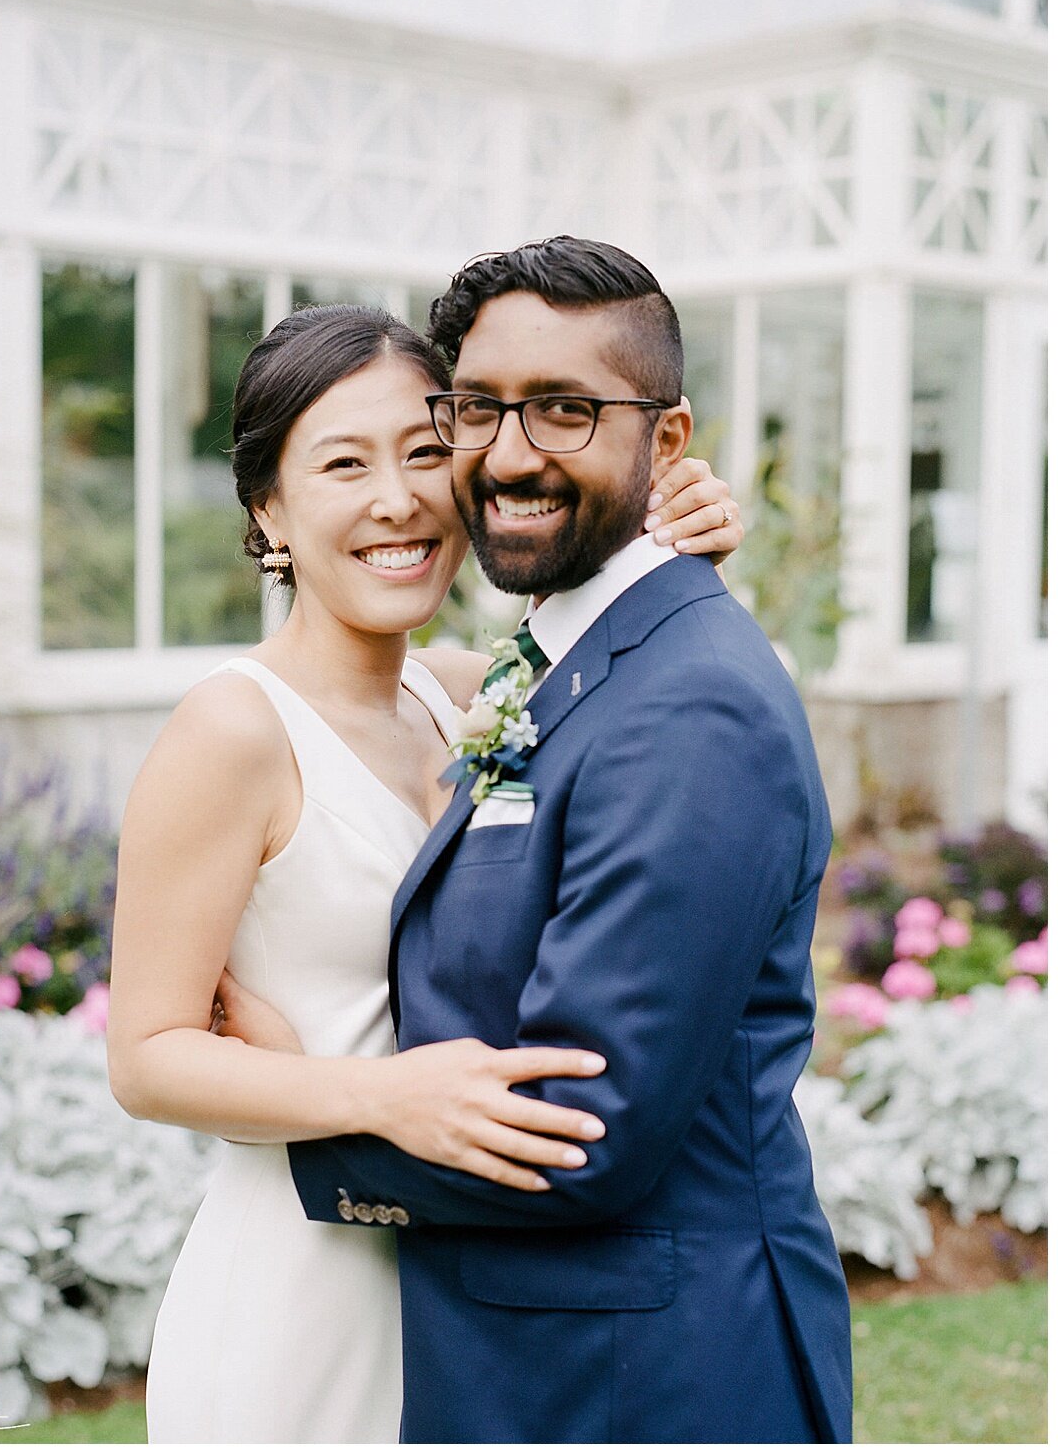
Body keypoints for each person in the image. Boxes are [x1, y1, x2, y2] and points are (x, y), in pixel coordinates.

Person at [105, 298, 743, 1442]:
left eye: (425, 451)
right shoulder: (233, 731)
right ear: (269, 508)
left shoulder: (462, 694)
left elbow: (623, 654)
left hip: (462, 1285)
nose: (397, 498)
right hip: (301, 1290)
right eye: (343, 463)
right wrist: (377, 1093)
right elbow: (147, 1057)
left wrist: (667, 530)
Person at [273, 239, 854, 1443]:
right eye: (478, 409)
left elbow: (581, 1135)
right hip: (540, 1360)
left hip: (647, 1381)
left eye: (566, 411)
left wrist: (299, 1118)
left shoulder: (691, 703)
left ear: (670, 440)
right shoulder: (553, 662)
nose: (512, 451)